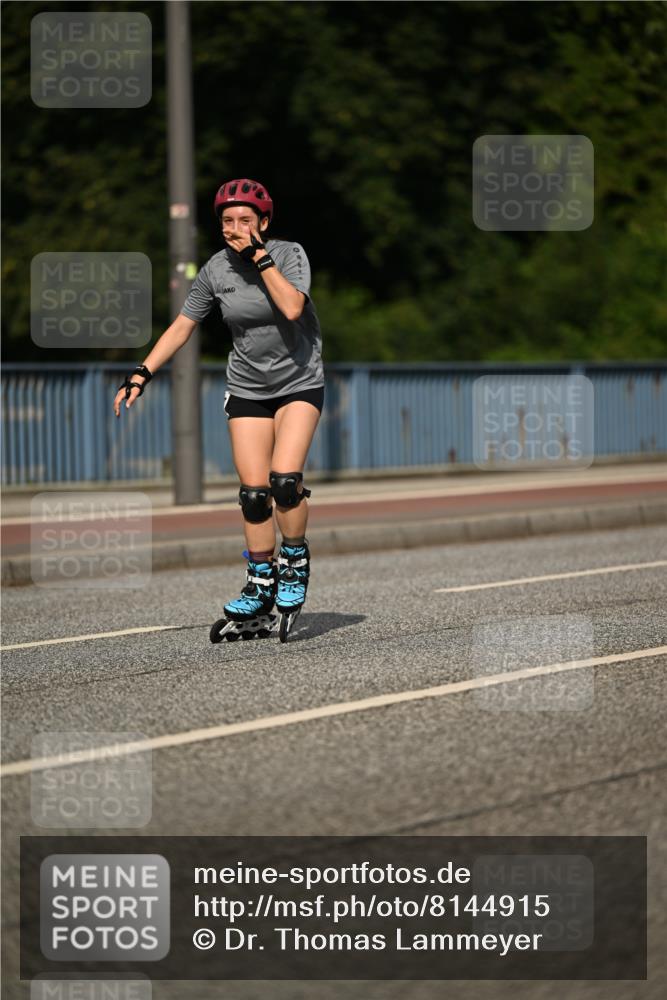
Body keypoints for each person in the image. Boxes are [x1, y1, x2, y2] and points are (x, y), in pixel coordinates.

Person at [114, 178, 324, 635]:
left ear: (263, 222)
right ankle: (260, 583)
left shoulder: (289, 254)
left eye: (245, 219)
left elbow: (291, 307)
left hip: (298, 383)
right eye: (227, 221)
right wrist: (141, 373)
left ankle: (294, 561)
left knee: (284, 483)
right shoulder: (214, 269)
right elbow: (182, 326)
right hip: (248, 386)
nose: (235, 228)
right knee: (254, 495)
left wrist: (259, 256)